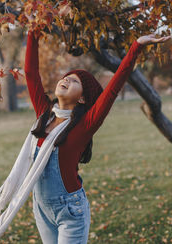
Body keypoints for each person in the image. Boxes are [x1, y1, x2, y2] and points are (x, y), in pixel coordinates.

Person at [24, 31, 171, 244]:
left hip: (70, 211)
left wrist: (136, 46)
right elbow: (30, 73)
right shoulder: (43, 116)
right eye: (66, 77)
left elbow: (112, 89)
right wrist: (33, 32)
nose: (65, 80)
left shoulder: (84, 126)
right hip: (41, 207)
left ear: (82, 97)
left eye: (73, 81)